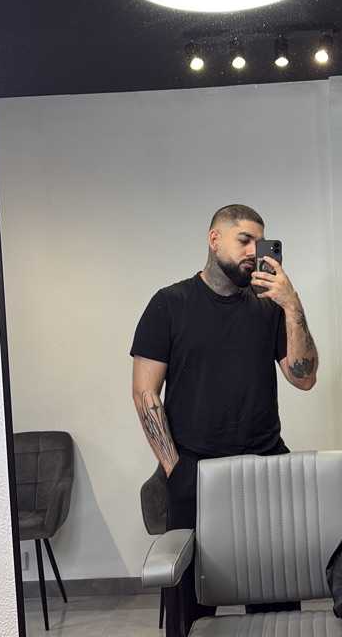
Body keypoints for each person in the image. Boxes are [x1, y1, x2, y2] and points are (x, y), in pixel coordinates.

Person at [130, 204, 319, 637]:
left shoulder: (269, 307)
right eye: (244, 240)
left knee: (276, 607)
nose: (254, 251)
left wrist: (292, 304)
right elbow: (145, 394)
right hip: (195, 471)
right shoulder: (169, 304)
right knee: (191, 614)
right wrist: (175, 469)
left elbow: (304, 377)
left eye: (260, 242)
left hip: (265, 469)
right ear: (214, 239)